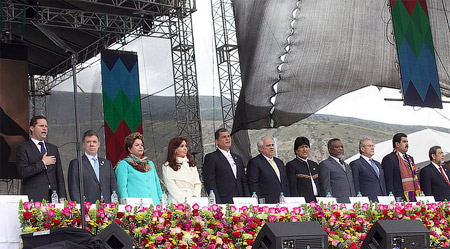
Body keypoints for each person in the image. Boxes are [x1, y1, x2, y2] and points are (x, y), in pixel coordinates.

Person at [16, 115, 66, 202]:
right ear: (32, 128)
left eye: (46, 126)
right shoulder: (23, 148)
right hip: (34, 196)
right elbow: (23, 172)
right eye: (41, 126)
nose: (44, 128)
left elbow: (59, 175)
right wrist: (42, 163)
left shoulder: (53, 148)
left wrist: (62, 197)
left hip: (53, 196)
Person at [68, 130, 118, 203]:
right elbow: (74, 189)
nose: (91, 144)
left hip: (107, 207)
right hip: (87, 207)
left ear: (98, 144)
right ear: (83, 144)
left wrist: (114, 204)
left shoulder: (107, 164)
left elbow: (113, 186)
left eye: (94, 142)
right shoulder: (76, 163)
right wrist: (81, 208)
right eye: (88, 142)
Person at [202, 128, 250, 204]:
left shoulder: (238, 158)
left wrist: (248, 199)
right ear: (217, 141)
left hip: (240, 200)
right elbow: (210, 182)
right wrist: (217, 202)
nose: (227, 139)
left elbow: (243, 180)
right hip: (223, 200)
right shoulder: (212, 157)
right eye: (224, 137)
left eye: (228, 136)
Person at [115, 132, 162, 205]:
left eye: (142, 145)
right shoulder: (123, 164)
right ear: (129, 149)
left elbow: (157, 184)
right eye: (137, 145)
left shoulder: (150, 164)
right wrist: (125, 204)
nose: (140, 147)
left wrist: (160, 200)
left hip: (155, 204)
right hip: (136, 206)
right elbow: (121, 187)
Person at [247, 136, 290, 204]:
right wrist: (258, 202)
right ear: (261, 148)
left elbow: (285, 182)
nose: (271, 147)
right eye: (268, 145)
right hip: (267, 202)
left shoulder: (279, 162)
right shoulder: (255, 162)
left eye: (272, 145)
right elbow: (253, 184)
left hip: (283, 201)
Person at [381, 133, 420, 202]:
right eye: (404, 142)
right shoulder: (389, 159)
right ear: (397, 144)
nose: (407, 144)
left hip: (413, 196)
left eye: (407, 141)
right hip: (399, 197)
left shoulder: (410, 159)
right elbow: (388, 182)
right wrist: (391, 199)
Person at [162, 137, 201, 204]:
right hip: (176, 201)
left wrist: (195, 197)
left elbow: (197, 183)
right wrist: (185, 201)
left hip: (193, 200)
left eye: (186, 146)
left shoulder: (191, 164)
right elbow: (171, 186)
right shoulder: (167, 166)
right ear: (175, 149)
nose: (185, 148)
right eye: (182, 146)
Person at [319, 138, 355, 203]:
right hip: (337, 202)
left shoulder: (347, 165)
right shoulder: (325, 165)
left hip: (351, 201)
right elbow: (326, 186)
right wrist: (329, 202)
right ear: (329, 150)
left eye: (342, 147)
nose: (340, 149)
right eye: (337, 147)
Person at [285, 137, 319, 203]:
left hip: (317, 200)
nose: (305, 149)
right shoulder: (291, 165)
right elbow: (292, 186)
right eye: (302, 147)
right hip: (303, 202)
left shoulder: (314, 164)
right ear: (296, 150)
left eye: (306, 147)